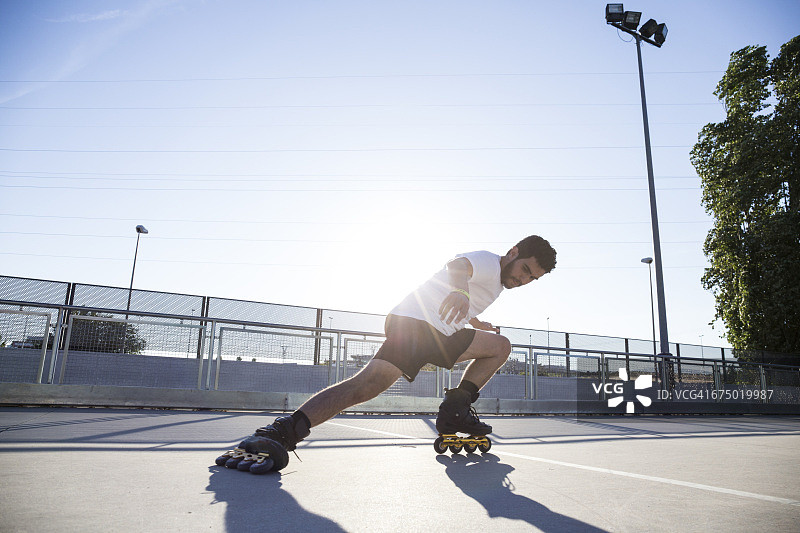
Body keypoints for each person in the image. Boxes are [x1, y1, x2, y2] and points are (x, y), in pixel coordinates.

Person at [218, 235, 557, 472]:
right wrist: (460, 292)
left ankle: (282, 432)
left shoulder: (495, 282)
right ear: (513, 252)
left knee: (496, 347)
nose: (524, 279)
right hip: (422, 326)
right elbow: (457, 267)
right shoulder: (488, 262)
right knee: (368, 385)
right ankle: (282, 431)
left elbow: (455, 293)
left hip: (431, 330)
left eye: (533, 278)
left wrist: (475, 320)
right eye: (525, 270)